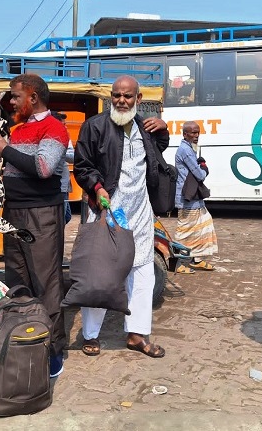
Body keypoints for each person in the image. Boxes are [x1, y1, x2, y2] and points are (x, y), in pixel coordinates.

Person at [74, 75, 169, 359]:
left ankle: (137, 335)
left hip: (140, 213)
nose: (121, 101)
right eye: (116, 95)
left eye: (128, 96)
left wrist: (162, 129)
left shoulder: (145, 128)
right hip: (107, 211)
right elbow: (83, 165)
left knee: (142, 274)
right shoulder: (95, 126)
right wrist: (97, 187)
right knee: (100, 275)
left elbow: (157, 155)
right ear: (110, 98)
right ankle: (90, 336)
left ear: (138, 100)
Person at [0, 74, 69, 378]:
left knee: (46, 283)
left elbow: (43, 168)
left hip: (42, 214)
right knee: (17, 281)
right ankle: (24, 343)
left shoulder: (54, 128)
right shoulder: (17, 130)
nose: (12, 102)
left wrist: (4, 150)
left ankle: (53, 353)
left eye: (16, 96)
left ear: (33, 97)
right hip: (14, 214)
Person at [174, 121, 218, 274]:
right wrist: (204, 168)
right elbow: (199, 175)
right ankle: (176, 262)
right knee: (185, 233)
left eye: (198, 132)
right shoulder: (185, 150)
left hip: (195, 198)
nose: (196, 135)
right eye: (193, 132)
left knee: (203, 227)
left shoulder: (190, 148)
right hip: (187, 199)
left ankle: (197, 259)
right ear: (185, 134)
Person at [53, 111, 74, 225]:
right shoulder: (53, 138)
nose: (65, 126)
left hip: (64, 185)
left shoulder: (65, 136)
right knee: (60, 220)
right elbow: (70, 156)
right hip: (58, 186)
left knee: (67, 217)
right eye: (63, 124)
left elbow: (71, 155)